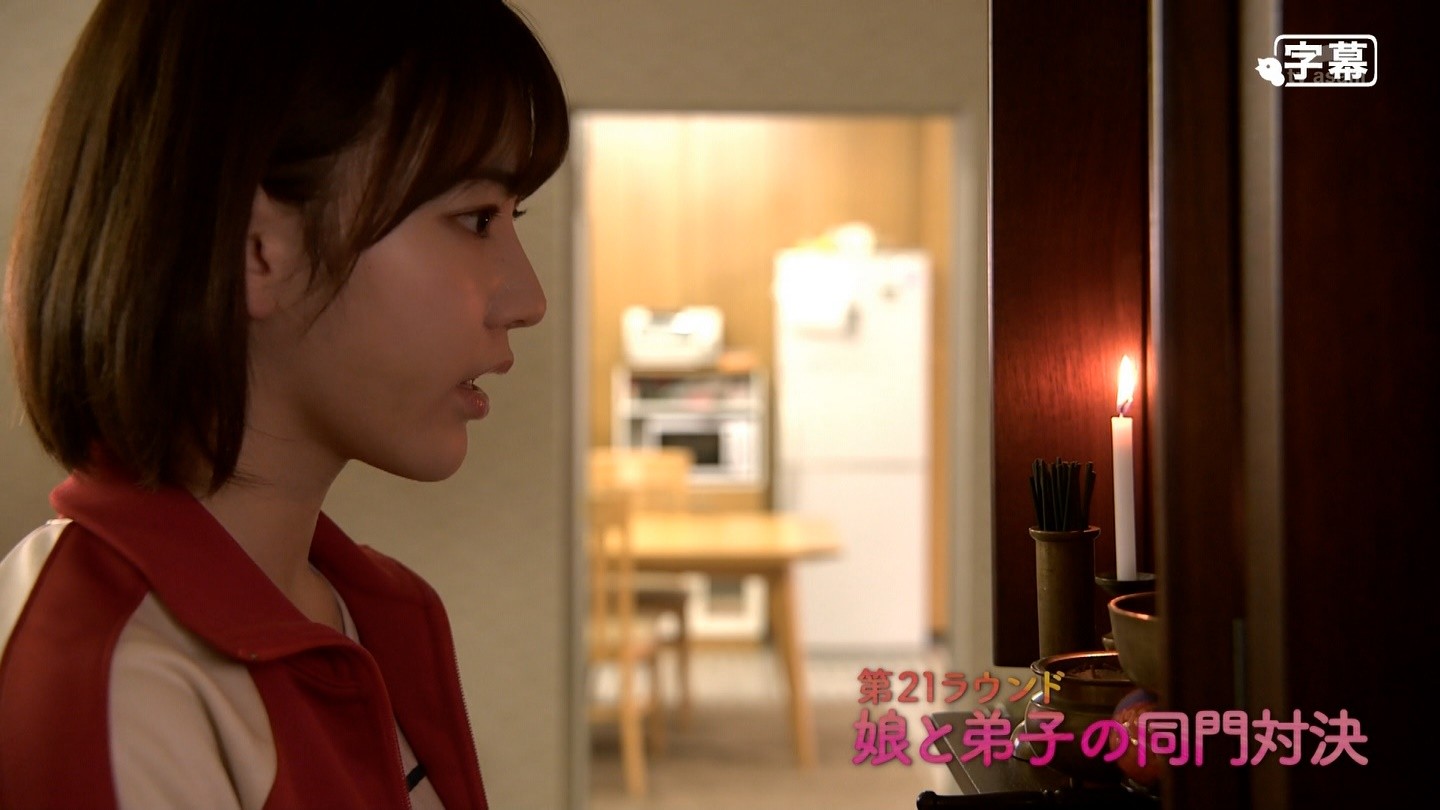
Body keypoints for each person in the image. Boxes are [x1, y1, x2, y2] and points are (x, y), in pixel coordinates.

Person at [0, 1, 567, 807]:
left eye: (514, 216)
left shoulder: (374, 607)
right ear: (255, 249)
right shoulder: (112, 688)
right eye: (476, 218)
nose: (528, 299)